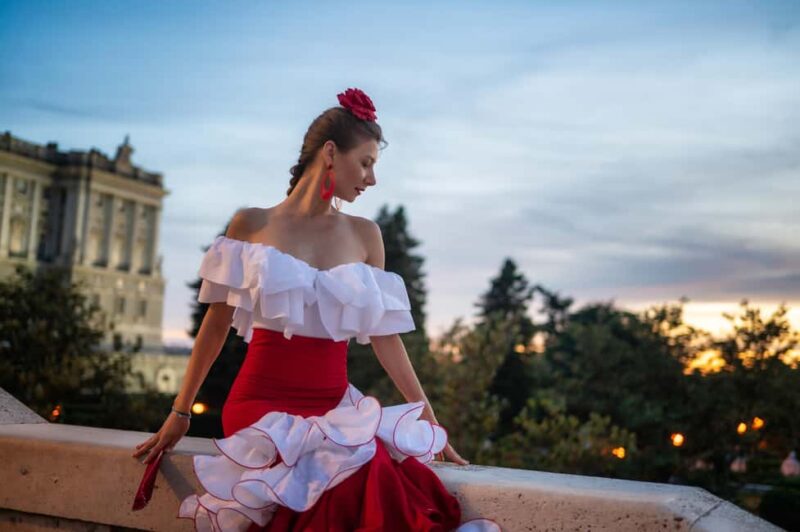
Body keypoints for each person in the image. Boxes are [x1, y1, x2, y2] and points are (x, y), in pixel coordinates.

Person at [132, 88, 500, 531]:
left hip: (336, 412)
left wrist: (430, 422)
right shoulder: (252, 224)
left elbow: (386, 339)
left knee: (373, 482)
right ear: (330, 153)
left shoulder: (366, 236)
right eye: (365, 163)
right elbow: (215, 324)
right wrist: (181, 411)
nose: (371, 179)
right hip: (261, 409)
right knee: (338, 489)